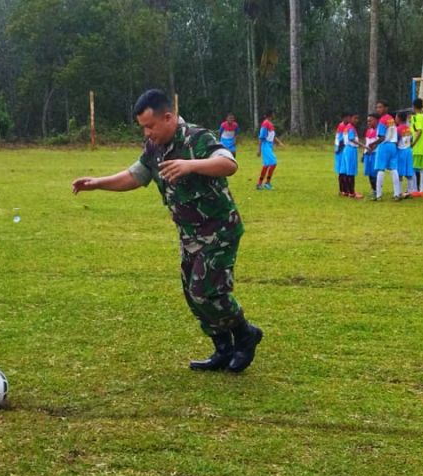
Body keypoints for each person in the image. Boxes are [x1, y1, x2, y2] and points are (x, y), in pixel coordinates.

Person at [71, 89, 263, 373]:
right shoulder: (155, 148)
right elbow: (135, 176)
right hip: (189, 234)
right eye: (143, 127)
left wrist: (191, 164)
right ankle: (223, 348)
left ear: (168, 117)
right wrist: (97, 183)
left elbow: (229, 164)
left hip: (219, 230)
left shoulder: (197, 138)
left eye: (150, 126)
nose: (147, 133)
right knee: (191, 293)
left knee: (206, 291)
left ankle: (245, 334)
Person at [372, 111, 399, 202]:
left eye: (380, 107)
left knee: (380, 169)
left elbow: (382, 138)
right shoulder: (391, 119)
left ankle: (378, 195)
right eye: (377, 107)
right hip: (393, 145)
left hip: (384, 146)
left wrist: (372, 143)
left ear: (385, 108)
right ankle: (397, 194)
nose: (378, 109)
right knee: (394, 169)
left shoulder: (382, 120)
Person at [255, 109, 283, 190]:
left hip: (269, 146)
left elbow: (273, 136)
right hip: (265, 145)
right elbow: (261, 137)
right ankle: (266, 183)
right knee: (273, 162)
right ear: (271, 115)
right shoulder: (265, 124)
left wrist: (279, 142)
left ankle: (260, 184)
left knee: (267, 165)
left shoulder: (270, 124)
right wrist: (259, 149)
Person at [395, 111, 418, 200]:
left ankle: (399, 192)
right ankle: (410, 190)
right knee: (409, 171)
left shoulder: (398, 129)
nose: (395, 119)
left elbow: (396, 141)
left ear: (399, 119)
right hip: (409, 151)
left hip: (401, 151)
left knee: (399, 173)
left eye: (396, 117)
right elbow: (411, 139)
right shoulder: (408, 128)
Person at [341, 111, 363, 199]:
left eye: (357, 118)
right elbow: (351, 139)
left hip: (346, 149)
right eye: (355, 118)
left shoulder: (347, 127)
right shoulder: (351, 127)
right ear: (350, 118)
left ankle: (347, 191)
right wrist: (363, 145)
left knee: (346, 172)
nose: (356, 120)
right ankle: (352, 192)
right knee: (351, 172)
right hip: (351, 150)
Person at [359, 111, 377, 195]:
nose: (369, 122)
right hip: (367, 154)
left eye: (370, 120)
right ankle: (373, 189)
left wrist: (372, 149)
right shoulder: (368, 131)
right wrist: (363, 153)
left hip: (374, 154)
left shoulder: (378, 131)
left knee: (374, 173)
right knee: (369, 172)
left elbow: (378, 142)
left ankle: (376, 189)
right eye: (368, 121)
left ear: (376, 120)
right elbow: (366, 143)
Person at [333, 113, 348, 196]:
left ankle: (342, 190)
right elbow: (341, 140)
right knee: (343, 171)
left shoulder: (341, 125)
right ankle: (344, 190)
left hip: (338, 149)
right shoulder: (343, 126)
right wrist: (338, 149)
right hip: (341, 150)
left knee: (341, 171)